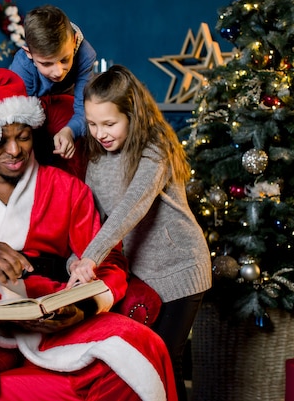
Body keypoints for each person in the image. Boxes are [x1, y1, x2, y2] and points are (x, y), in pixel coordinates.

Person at [0, 68, 178, 401]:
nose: (14, 150)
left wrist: (84, 307)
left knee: (141, 349)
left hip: (53, 312)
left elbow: (110, 259)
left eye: (23, 136)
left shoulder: (66, 189)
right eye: (0, 138)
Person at [75, 64, 212, 401]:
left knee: (165, 358)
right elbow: (92, 220)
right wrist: (77, 262)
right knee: (145, 362)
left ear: (132, 115)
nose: (100, 133)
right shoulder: (97, 159)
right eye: (92, 124)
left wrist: (91, 256)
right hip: (143, 277)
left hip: (181, 266)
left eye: (109, 123)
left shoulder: (155, 145)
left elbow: (132, 207)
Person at [9, 4, 96, 179]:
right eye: (46, 64)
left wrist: (70, 131)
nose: (58, 72)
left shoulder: (86, 55)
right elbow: (17, 120)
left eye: (64, 60)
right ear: (29, 54)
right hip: (31, 115)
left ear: (74, 40)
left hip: (67, 109)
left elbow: (84, 108)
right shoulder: (21, 67)